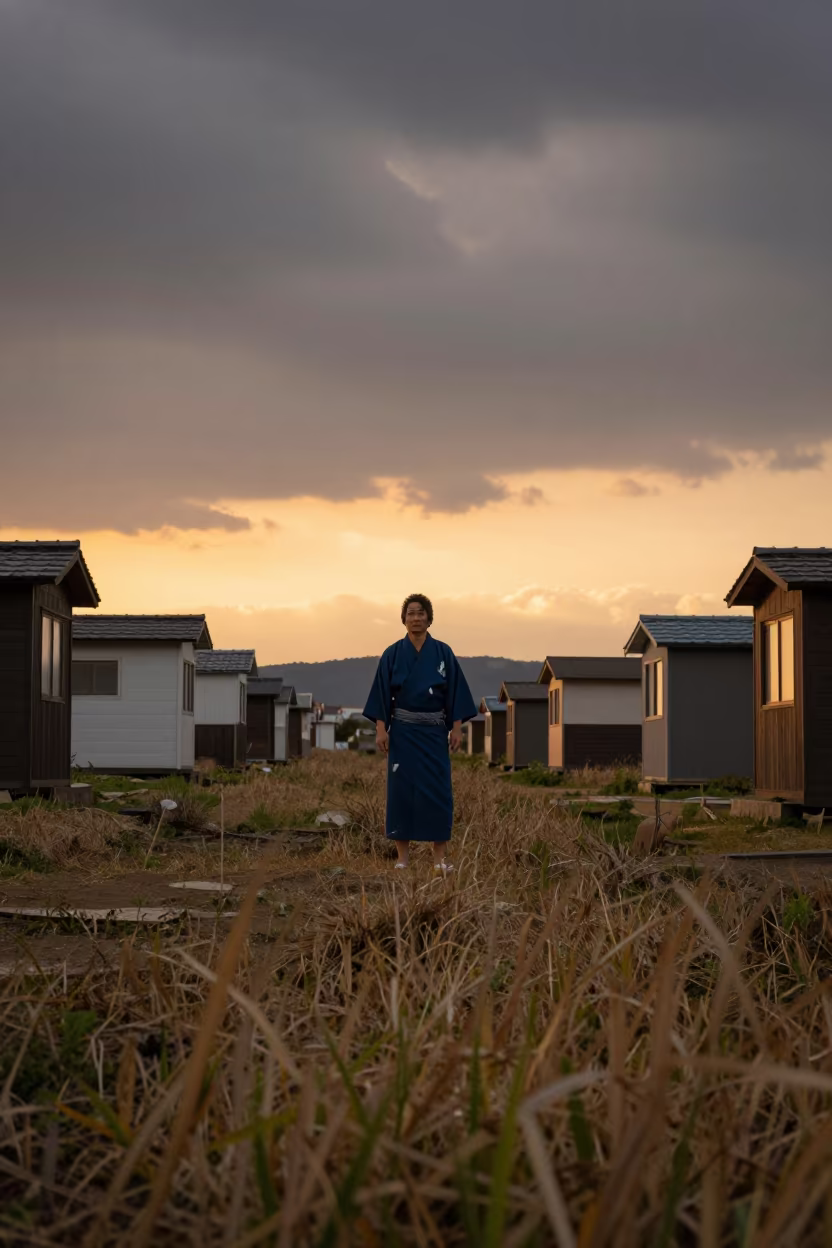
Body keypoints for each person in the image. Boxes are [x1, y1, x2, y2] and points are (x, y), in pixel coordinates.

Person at [363, 593, 477, 870]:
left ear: (429, 618)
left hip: (435, 732)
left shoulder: (443, 652)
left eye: (420, 613)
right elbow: (381, 694)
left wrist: (457, 728)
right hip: (402, 732)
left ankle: (440, 859)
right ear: (403, 619)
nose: (416, 618)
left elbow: (455, 692)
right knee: (401, 791)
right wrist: (381, 729)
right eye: (411, 613)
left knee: (439, 791)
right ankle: (403, 858)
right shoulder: (392, 654)